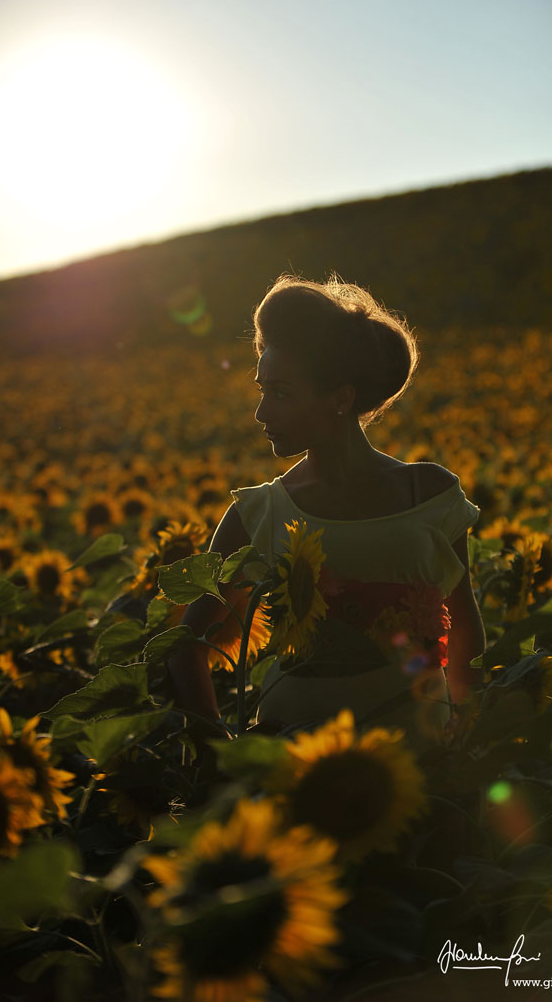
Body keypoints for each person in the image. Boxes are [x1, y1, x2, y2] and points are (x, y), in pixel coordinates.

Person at [167, 274, 485, 752]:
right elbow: (185, 647)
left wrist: (469, 734)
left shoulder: (429, 493)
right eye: (262, 389)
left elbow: (464, 631)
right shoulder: (256, 513)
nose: (260, 413)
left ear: (341, 398)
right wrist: (216, 753)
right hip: (290, 759)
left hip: (419, 759)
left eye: (281, 393)